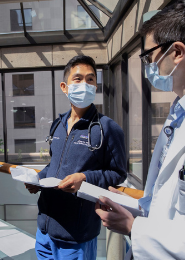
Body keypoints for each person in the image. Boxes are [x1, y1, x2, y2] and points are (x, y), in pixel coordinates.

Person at [95, 1, 185, 259]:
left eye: (149, 56)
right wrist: (133, 206)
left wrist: (134, 228)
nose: (149, 65)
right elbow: (172, 203)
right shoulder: (180, 112)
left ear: (177, 52)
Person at [26, 55, 127, 259]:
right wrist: (38, 179)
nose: (85, 84)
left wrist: (85, 178)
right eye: (78, 79)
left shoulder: (107, 128)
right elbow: (55, 164)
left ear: (96, 87)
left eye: (90, 80)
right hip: (44, 228)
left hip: (76, 235)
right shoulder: (58, 124)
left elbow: (117, 173)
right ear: (64, 87)